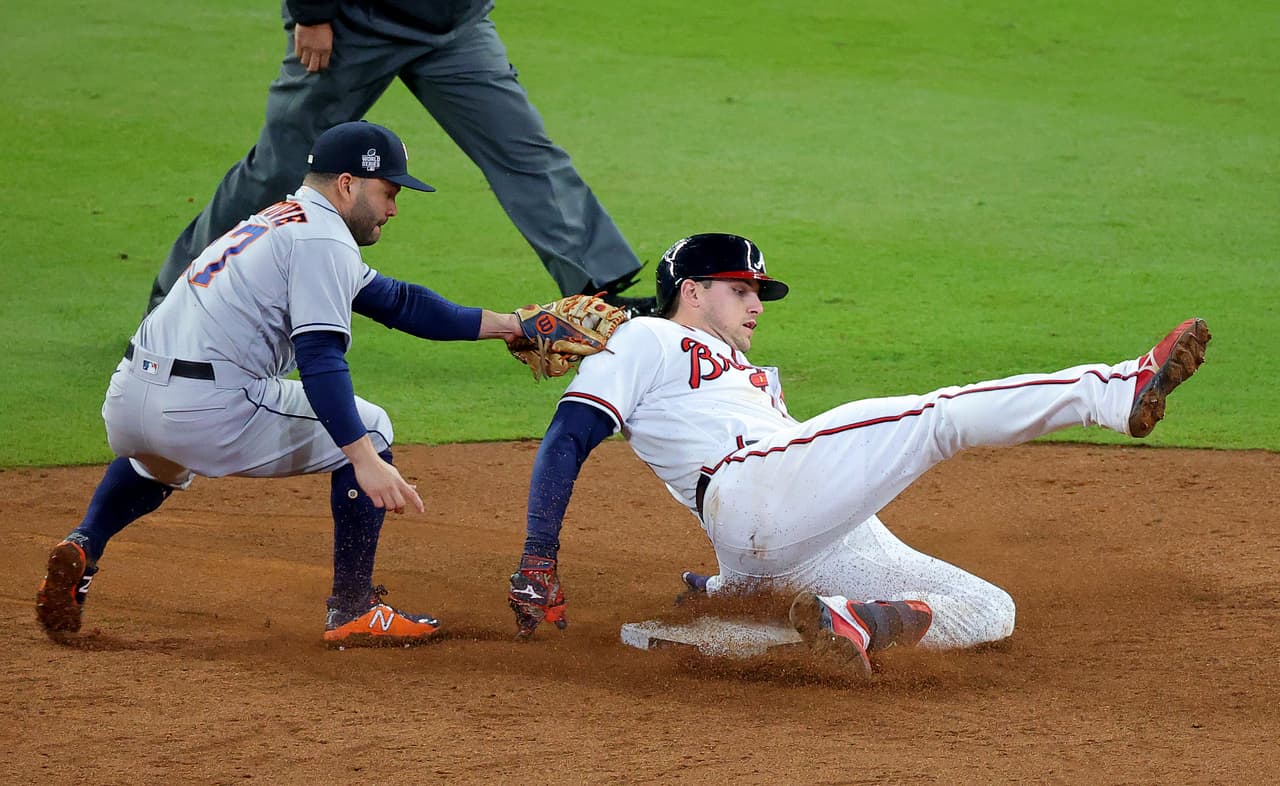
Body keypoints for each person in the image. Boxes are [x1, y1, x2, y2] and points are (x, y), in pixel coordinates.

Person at [505, 232, 1212, 677]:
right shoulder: (645, 340)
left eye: (759, 292)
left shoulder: (732, 368)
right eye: (740, 289)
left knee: (991, 609)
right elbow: (570, 433)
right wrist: (539, 553)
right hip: (751, 490)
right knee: (932, 418)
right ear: (692, 291)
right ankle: (1114, 390)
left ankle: (838, 621)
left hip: (788, 534)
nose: (757, 303)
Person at [37, 120, 532, 647]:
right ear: (348, 184)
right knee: (373, 428)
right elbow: (320, 359)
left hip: (129, 400)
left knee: (156, 460)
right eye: (389, 191)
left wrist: (509, 325)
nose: (393, 207)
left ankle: (85, 544)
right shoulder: (323, 240)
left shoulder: (279, 219)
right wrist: (363, 459)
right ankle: (353, 609)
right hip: (207, 407)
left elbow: (397, 302)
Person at [145, 0, 655, 317]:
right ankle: (177, 301)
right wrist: (311, 10)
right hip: (352, 24)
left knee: (524, 150)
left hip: (454, 27)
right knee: (280, 167)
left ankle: (597, 299)